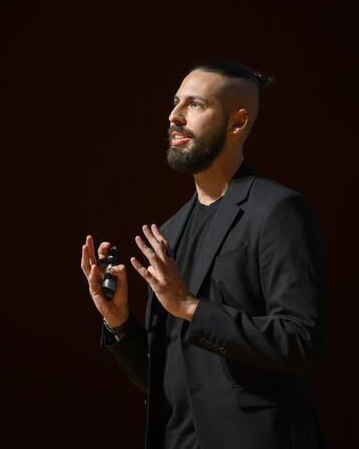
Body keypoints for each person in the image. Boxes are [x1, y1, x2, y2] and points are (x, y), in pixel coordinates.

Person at [80, 59, 328, 449]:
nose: (174, 115)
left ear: (237, 122)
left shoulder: (277, 211)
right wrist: (120, 324)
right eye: (176, 102)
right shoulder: (171, 231)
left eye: (194, 105)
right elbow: (179, 381)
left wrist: (191, 308)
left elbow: (302, 342)